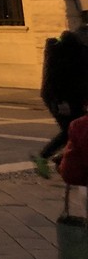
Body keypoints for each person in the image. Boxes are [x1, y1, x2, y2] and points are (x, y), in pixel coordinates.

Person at [35, 29, 88, 177]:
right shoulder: (74, 54)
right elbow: (77, 79)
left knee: (76, 129)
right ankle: (47, 157)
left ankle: (62, 158)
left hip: (62, 97)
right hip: (63, 99)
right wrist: (61, 102)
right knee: (71, 130)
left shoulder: (59, 51)